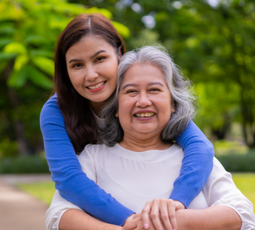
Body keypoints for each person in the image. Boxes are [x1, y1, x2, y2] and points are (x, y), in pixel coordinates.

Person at [45, 46, 255, 230]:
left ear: (173, 103)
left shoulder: (194, 159)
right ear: (116, 107)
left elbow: (243, 214)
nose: (143, 101)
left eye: (154, 89)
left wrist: (171, 219)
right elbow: (59, 216)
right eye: (131, 91)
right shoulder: (92, 157)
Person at [40, 13, 214, 230]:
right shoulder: (56, 111)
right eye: (77, 65)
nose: (91, 74)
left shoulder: (145, 100)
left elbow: (201, 148)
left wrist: (175, 203)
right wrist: (131, 220)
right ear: (65, 71)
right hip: (95, 207)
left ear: (119, 55)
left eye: (100, 59)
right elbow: (68, 179)